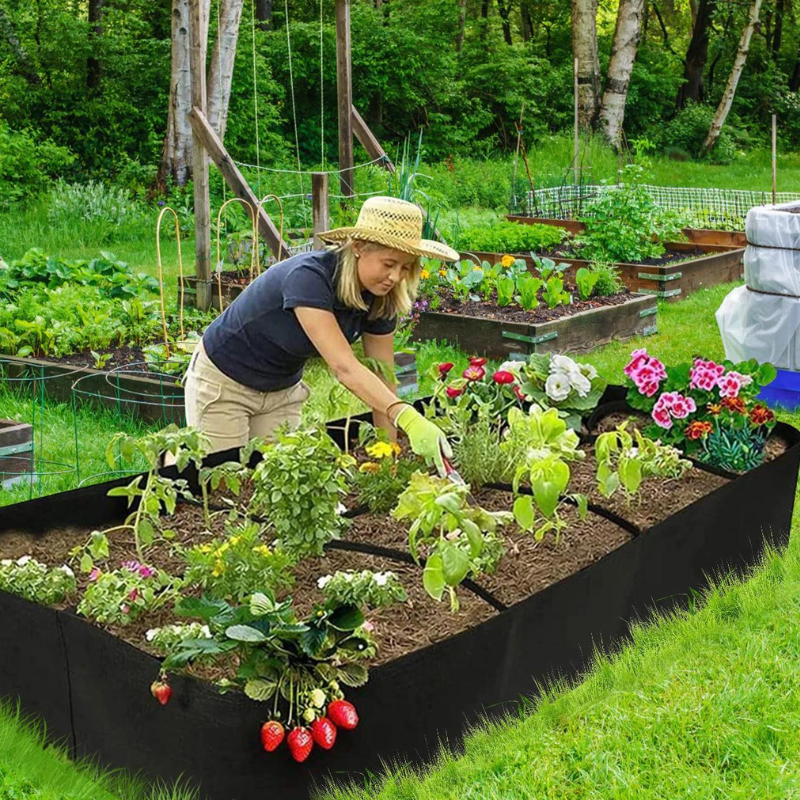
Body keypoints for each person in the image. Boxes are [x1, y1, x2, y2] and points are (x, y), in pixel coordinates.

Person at [183, 196, 457, 474]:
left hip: (281, 390)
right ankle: (171, 461)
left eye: (405, 267)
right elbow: (344, 367)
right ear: (359, 247)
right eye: (388, 264)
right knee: (223, 481)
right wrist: (406, 416)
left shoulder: (383, 298)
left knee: (280, 479)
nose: (395, 277)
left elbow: (383, 376)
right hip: (225, 382)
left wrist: (389, 455)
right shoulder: (310, 277)